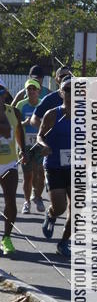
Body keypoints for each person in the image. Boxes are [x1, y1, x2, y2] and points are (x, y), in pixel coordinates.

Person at [36, 78, 73, 258]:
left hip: (76, 167)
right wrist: (44, 145)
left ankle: (64, 242)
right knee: (60, 207)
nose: (71, 93)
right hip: (54, 165)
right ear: (60, 93)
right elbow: (39, 136)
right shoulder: (53, 114)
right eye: (67, 89)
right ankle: (51, 215)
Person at [0, 80, 25, 255]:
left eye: (0, 92)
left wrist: (23, 150)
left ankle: (6, 238)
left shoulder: (14, 112)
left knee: (10, 201)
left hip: (9, 162)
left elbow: (18, 132)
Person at [16, 78, 45, 213]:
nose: (31, 91)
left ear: (39, 91)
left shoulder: (43, 104)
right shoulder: (21, 105)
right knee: (28, 175)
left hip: (39, 143)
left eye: (34, 89)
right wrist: (24, 123)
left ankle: (38, 197)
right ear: (26, 91)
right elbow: (14, 124)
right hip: (25, 144)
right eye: (29, 89)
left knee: (40, 172)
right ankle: (27, 202)